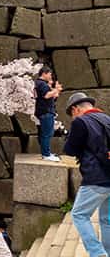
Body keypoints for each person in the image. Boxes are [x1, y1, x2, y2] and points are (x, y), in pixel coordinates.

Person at [62, 92, 110, 257]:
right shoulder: (106, 119)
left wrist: (68, 137)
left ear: (75, 109)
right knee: (106, 219)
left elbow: (70, 150)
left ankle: (97, 253)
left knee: (79, 214)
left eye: (71, 115)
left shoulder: (81, 122)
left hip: (96, 178)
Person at [34, 66, 64, 161]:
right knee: (46, 133)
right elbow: (46, 95)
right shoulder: (42, 84)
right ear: (44, 73)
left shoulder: (39, 84)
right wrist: (56, 90)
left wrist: (55, 91)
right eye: (50, 74)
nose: (51, 76)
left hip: (43, 111)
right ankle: (46, 154)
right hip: (45, 111)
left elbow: (50, 97)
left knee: (46, 133)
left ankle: (46, 152)